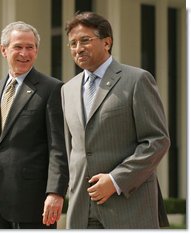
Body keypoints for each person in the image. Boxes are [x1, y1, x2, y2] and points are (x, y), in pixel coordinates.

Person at [61, 11, 170, 229]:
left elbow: (157, 141)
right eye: (72, 43)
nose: (78, 48)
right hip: (82, 210)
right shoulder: (67, 89)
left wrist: (115, 180)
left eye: (85, 40)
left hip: (129, 208)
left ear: (107, 42)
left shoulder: (137, 80)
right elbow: (73, 150)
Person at [0, 21, 69, 229]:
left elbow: (58, 148)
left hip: (34, 205)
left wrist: (56, 192)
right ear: (3, 50)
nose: (25, 53)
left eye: (30, 47)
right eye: (18, 46)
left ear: (36, 50)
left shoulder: (52, 88)